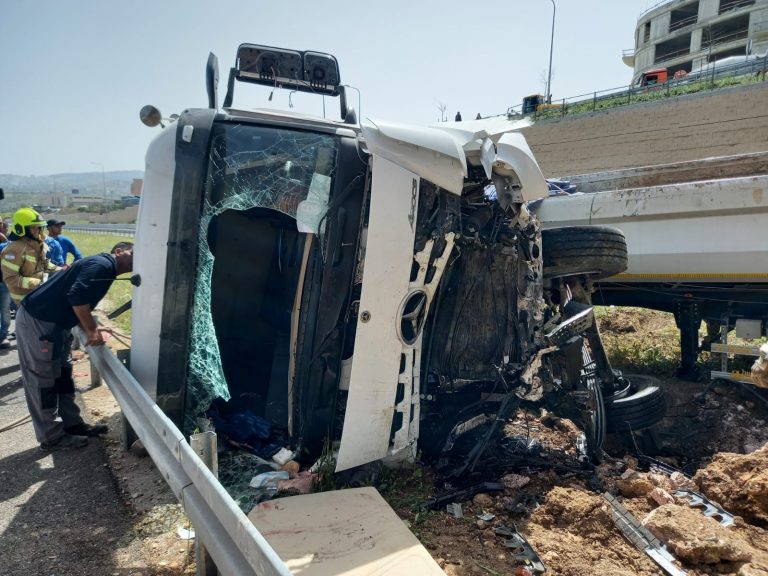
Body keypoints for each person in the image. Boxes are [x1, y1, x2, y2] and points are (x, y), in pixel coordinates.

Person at [15, 241, 134, 450]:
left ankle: (72, 425)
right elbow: (77, 297)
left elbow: (79, 299)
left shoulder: (104, 268)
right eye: (133, 252)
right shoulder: (103, 264)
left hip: (56, 323)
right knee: (43, 381)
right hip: (39, 321)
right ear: (118, 251)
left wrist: (93, 327)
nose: (138, 257)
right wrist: (91, 330)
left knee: (62, 376)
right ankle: (51, 437)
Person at [1, 208, 63, 306]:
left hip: (37, 295)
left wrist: (63, 270)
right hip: (24, 301)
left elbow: (45, 265)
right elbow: (10, 278)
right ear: (21, 228)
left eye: (39, 227)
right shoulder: (13, 250)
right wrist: (38, 283)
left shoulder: (36, 245)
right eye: (33, 227)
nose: (37, 231)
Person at [0, 218, 11, 348]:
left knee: (5, 309)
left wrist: (5, 241)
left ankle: (3, 335)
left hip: (4, 282)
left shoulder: (7, 241)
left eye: (0, 224)